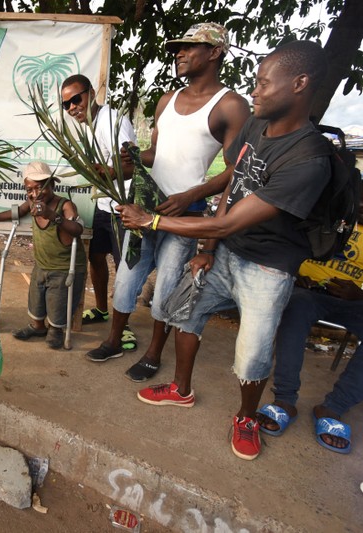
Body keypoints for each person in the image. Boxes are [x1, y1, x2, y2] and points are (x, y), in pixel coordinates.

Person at [118, 40, 332, 461]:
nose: (254, 91)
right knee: (185, 310)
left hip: (267, 268)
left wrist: (153, 221)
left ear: (299, 84)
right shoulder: (257, 125)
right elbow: (234, 185)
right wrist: (209, 249)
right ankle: (181, 389)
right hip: (227, 250)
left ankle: (246, 416)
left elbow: (232, 218)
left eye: (263, 83)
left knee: (251, 351)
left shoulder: (309, 158)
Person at [85, 23, 250, 386]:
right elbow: (154, 154)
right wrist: (119, 165)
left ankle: (154, 354)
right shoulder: (166, 101)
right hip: (144, 210)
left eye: (190, 47)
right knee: (127, 278)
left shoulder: (231, 105)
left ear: (216, 53)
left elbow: (239, 170)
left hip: (184, 216)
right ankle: (114, 340)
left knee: (165, 290)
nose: (179, 53)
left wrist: (192, 196)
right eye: (178, 47)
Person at [256, 192, 362, 454]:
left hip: (353, 299)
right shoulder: (322, 218)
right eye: (357, 198)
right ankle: (285, 401)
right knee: (295, 308)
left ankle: (333, 408)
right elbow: (285, 247)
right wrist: (294, 273)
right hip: (308, 292)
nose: (360, 205)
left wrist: (360, 294)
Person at [60, 74, 137, 349]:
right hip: (105, 203)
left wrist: (107, 171)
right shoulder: (89, 126)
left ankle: (124, 328)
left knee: (124, 267)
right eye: (65, 104)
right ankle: (103, 308)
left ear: (91, 94)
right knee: (95, 255)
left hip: (124, 205)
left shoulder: (113, 121)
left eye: (75, 99)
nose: (71, 108)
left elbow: (133, 164)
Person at [0, 161, 86, 349]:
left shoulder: (65, 205)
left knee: (57, 302)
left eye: (40, 188)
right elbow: (18, 212)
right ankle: (37, 327)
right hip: (42, 264)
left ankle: (55, 330)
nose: (35, 194)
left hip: (63, 267)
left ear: (52, 185)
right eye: (30, 189)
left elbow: (77, 228)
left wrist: (53, 215)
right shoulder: (31, 204)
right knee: (36, 298)